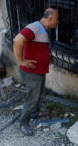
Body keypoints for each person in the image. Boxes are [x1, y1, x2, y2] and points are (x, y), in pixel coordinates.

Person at [13, 8, 59, 136]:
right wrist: (21, 60)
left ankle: (35, 113)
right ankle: (23, 122)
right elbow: (18, 40)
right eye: (57, 19)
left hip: (38, 71)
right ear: (50, 18)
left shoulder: (41, 29)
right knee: (31, 98)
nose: (58, 22)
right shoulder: (36, 27)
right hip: (31, 72)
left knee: (38, 93)